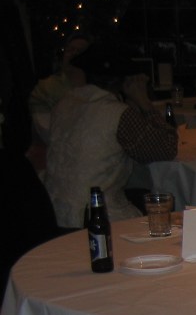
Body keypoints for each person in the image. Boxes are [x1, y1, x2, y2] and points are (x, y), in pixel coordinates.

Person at [45, 41, 177, 230]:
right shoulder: (117, 113)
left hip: (53, 213)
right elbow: (166, 148)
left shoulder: (64, 104)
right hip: (95, 217)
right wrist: (144, 102)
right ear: (124, 81)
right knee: (161, 209)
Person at [28, 32, 90, 143]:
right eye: (70, 50)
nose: (74, 54)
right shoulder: (45, 89)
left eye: (80, 52)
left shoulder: (100, 90)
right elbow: (45, 130)